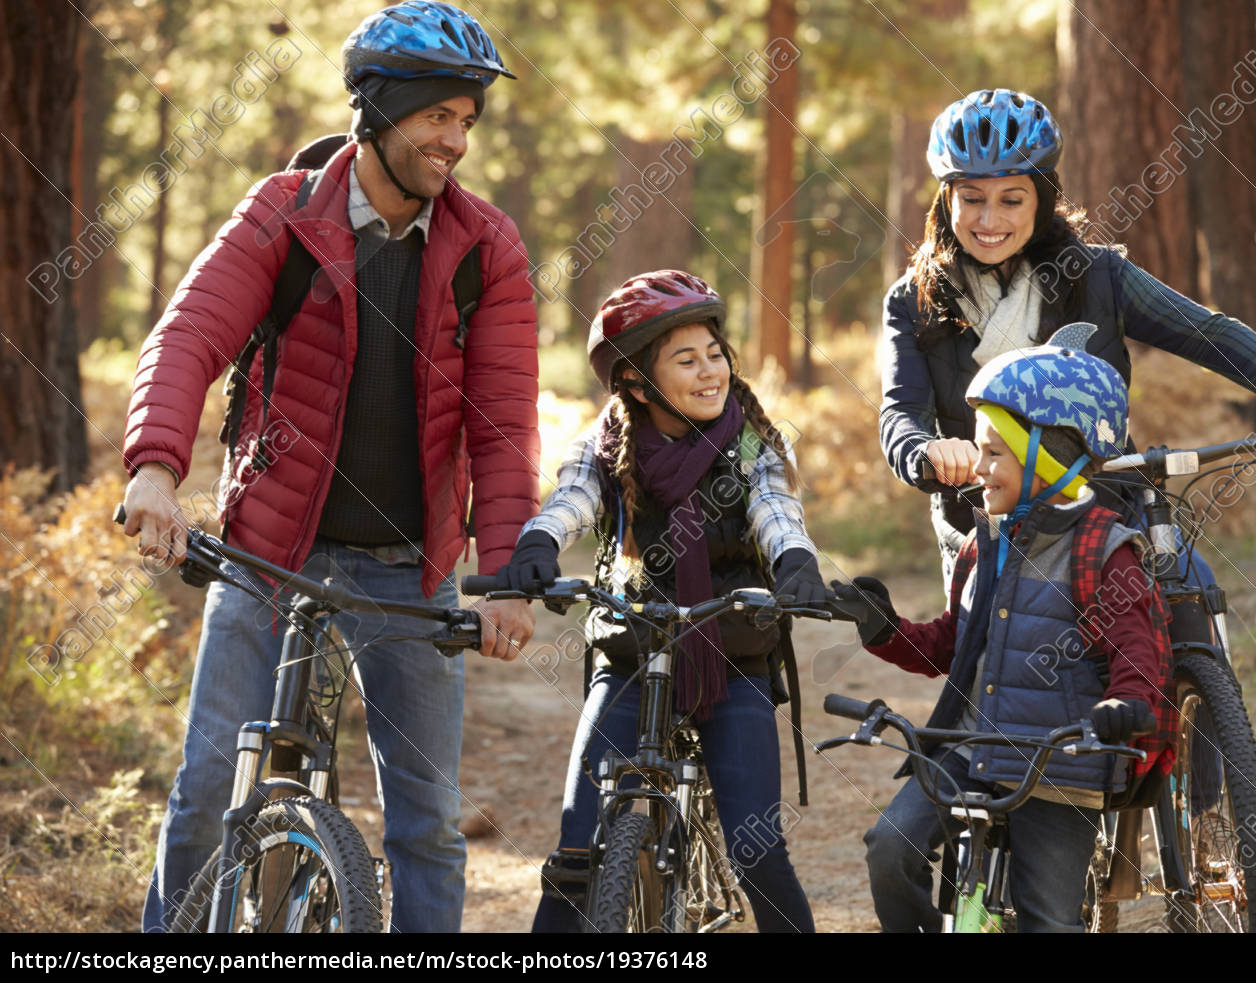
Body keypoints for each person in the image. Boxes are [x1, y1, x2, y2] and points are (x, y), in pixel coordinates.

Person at [120, 2, 540, 933]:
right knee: (204, 799)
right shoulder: (285, 213)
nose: (455, 142)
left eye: (468, 120)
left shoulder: (487, 247)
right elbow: (189, 335)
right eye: (438, 116)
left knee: (426, 825)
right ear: (379, 112)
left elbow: (503, 423)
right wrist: (155, 465)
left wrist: (505, 575)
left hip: (410, 568)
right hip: (273, 553)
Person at [880, 88, 1256, 590]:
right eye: (972, 199)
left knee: (1188, 597)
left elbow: (1209, 335)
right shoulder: (912, 300)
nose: (989, 221)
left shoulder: (1099, 277)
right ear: (947, 200)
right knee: (988, 665)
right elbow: (901, 413)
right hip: (983, 534)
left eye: (1011, 200)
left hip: (1109, 518)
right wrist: (926, 453)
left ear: (1042, 199)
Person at [497, 270, 826, 933]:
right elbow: (572, 497)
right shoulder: (609, 439)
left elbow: (775, 507)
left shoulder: (750, 438)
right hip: (630, 648)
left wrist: (796, 561)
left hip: (732, 653)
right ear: (638, 384)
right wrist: (536, 542)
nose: (710, 372)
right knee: (574, 852)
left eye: (714, 353)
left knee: (759, 851)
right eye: (686, 359)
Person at [837, 341, 1167, 932]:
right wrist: (883, 629)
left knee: (1049, 919)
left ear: (1047, 458)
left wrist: (1127, 703)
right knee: (890, 848)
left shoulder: (1104, 550)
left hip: (1060, 767)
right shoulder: (981, 542)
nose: (979, 467)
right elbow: (949, 645)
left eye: (995, 452)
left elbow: (1135, 650)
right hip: (967, 750)